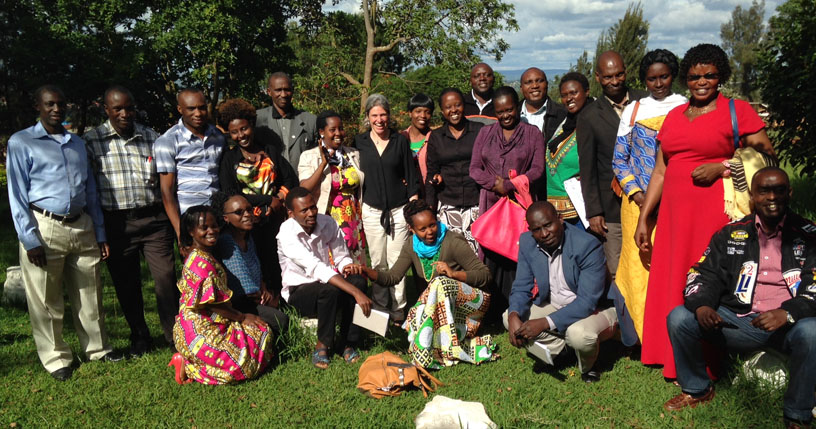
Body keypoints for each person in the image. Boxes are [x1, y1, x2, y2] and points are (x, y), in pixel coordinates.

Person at [636, 44, 775, 379]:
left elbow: (768, 158)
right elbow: (660, 171)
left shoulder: (736, 110)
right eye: (695, 75)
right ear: (686, 78)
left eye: (710, 75)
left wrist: (722, 167)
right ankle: (668, 354)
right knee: (673, 280)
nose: (702, 81)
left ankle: (712, 360)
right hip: (673, 219)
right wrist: (645, 218)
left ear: (721, 77)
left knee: (707, 281)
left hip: (716, 217)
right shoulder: (673, 116)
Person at [663, 168, 816, 429]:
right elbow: (702, 274)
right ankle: (697, 389)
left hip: (787, 326)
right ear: (752, 196)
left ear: (789, 193)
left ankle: (797, 414)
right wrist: (702, 306)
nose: (772, 197)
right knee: (679, 318)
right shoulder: (731, 233)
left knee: (812, 331)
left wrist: (787, 312)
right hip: (737, 322)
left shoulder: (809, 235)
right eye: (764, 191)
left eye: (779, 190)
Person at [7, 85, 122, 381]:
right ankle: (56, 357)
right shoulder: (22, 143)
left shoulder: (77, 143)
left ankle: (97, 348)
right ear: (38, 107)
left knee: (90, 292)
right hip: (44, 225)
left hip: (81, 223)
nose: (57, 109)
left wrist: (99, 232)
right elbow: (16, 195)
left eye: (61, 104)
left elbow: (91, 190)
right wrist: (29, 238)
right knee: (46, 297)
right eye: (50, 104)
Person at [344, 200, 496, 368]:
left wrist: (454, 274)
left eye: (432, 225)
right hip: (443, 306)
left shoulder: (453, 242)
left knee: (440, 283)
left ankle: (428, 352)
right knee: (436, 287)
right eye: (422, 229)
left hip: (472, 304)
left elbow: (485, 275)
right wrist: (364, 270)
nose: (430, 232)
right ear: (412, 229)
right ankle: (432, 347)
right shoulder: (411, 246)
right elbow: (392, 277)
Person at [83, 85, 178, 355]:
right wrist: (99, 232)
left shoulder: (153, 138)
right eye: (118, 109)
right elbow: (89, 190)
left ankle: (175, 336)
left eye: (129, 107)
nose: (125, 113)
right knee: (126, 282)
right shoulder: (92, 141)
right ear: (106, 110)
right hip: (117, 223)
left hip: (154, 220)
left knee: (165, 279)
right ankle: (139, 335)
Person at [610, 50, 687, 343]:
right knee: (640, 266)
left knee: (673, 265)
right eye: (652, 78)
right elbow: (619, 160)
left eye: (664, 76)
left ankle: (674, 333)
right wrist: (638, 194)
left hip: (677, 202)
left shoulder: (685, 107)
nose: (659, 83)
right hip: (637, 205)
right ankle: (645, 335)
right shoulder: (633, 110)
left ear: (673, 75)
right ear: (644, 80)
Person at [504, 201, 616, 382]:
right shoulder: (527, 242)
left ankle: (589, 366)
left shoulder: (587, 246)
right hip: (556, 303)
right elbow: (521, 286)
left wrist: (545, 323)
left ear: (561, 219)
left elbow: (587, 302)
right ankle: (562, 350)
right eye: (537, 229)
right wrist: (513, 315)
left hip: (597, 308)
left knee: (578, 335)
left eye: (548, 225)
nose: (544, 234)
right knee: (510, 318)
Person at [169, 206, 272, 385]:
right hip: (202, 329)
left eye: (214, 226)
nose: (212, 231)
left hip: (193, 326)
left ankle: (189, 361)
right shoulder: (200, 262)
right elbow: (212, 304)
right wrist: (241, 317)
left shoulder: (199, 254)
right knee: (259, 337)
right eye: (204, 228)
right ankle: (190, 365)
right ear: (191, 231)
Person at [277, 187, 373, 369]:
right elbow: (316, 267)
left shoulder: (327, 222)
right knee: (331, 289)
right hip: (300, 291)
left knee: (358, 281)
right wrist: (354, 292)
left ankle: (347, 342)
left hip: (327, 282)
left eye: (313, 207)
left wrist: (347, 266)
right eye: (304, 210)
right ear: (291, 213)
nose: (311, 213)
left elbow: (340, 255)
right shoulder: (286, 233)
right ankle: (322, 344)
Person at [469, 85, 546, 307]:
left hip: (520, 204)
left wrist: (511, 185)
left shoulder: (532, 134)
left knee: (517, 250)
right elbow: (474, 168)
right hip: (491, 202)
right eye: (500, 111)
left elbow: (537, 169)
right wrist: (495, 184)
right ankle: (491, 306)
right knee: (491, 250)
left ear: (518, 107)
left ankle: (519, 303)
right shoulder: (485, 133)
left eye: (510, 110)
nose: (505, 116)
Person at [577, 51, 648, 278]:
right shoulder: (589, 116)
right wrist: (594, 211)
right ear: (598, 77)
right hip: (612, 207)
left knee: (648, 264)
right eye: (608, 77)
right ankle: (622, 314)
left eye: (619, 75)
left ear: (626, 73)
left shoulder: (646, 102)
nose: (614, 81)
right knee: (619, 268)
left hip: (651, 200)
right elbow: (588, 169)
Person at [217, 98, 298, 295]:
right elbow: (230, 193)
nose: (240, 135)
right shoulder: (229, 159)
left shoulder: (270, 151)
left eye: (243, 129)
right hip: (247, 222)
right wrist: (266, 201)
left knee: (278, 260)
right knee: (257, 262)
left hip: (275, 217)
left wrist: (277, 199)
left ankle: (286, 301)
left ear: (251, 125)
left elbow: (289, 179)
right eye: (234, 132)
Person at [354, 94, 421, 321]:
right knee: (378, 261)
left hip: (399, 211)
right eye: (374, 115)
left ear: (389, 115)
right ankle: (381, 306)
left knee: (396, 261)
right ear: (368, 117)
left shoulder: (400, 141)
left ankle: (399, 308)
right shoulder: (359, 142)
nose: (379, 120)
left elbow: (411, 177)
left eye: (383, 114)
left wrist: (413, 207)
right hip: (371, 211)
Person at [212, 192, 290, 337]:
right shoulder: (227, 241)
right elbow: (244, 284)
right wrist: (261, 296)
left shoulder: (248, 238)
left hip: (254, 298)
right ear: (226, 218)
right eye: (239, 212)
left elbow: (255, 268)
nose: (247, 215)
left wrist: (263, 288)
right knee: (280, 320)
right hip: (237, 303)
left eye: (249, 209)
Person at [154, 88, 226, 239]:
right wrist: (181, 232)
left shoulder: (218, 136)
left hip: (218, 216)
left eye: (202, 108)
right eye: (191, 109)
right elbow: (166, 191)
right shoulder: (167, 141)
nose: (198, 113)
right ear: (180, 109)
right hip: (191, 220)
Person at [298, 110, 366, 265]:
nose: (339, 133)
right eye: (332, 129)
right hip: (327, 217)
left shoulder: (353, 154)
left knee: (354, 264)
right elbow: (305, 188)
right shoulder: (309, 156)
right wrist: (323, 163)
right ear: (321, 132)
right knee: (331, 262)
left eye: (341, 128)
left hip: (353, 218)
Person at [425, 88, 484, 254]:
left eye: (457, 105)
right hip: (448, 203)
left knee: (476, 254)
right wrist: (430, 206)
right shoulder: (436, 137)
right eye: (448, 107)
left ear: (464, 106)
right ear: (442, 111)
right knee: (451, 254)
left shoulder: (479, 130)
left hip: (476, 202)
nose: (453, 111)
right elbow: (432, 171)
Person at [546, 73, 593, 223]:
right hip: (557, 213)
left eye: (574, 92)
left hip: (582, 211)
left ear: (587, 91)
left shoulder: (594, 122)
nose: (569, 98)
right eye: (564, 95)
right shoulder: (566, 122)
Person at [255, 72, 318, 172]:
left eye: (287, 90)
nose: (283, 94)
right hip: (270, 183)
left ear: (292, 91)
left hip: (302, 183)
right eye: (278, 90)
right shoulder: (257, 119)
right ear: (269, 91)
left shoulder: (310, 121)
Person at [520, 67, 567, 143]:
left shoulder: (563, 114)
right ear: (521, 88)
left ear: (547, 84)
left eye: (540, 81)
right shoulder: (511, 115)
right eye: (529, 82)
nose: (535, 86)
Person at [401, 93, 434, 183]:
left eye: (427, 112)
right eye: (418, 111)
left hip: (429, 192)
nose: (423, 116)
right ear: (410, 113)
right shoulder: (400, 139)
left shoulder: (435, 139)